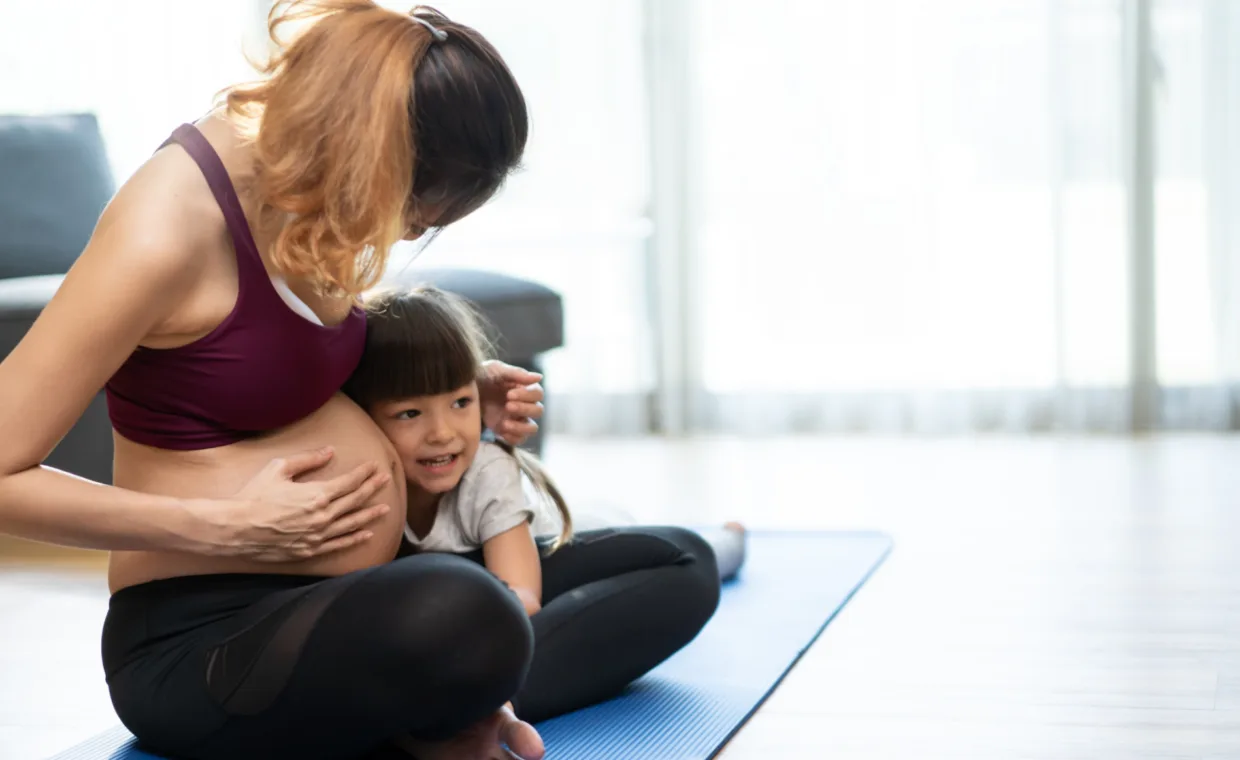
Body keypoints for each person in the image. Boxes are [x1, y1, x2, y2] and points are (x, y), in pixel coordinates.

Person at [0, 3, 717, 759]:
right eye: (413, 207)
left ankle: (455, 703)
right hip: (212, 633)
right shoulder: (163, 230)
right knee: (467, 612)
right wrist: (233, 527)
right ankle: (454, 694)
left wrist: (445, 393)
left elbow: (281, 361)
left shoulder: (308, 192)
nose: (407, 232)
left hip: (383, 588)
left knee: (676, 562)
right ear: (368, 150)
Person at [341, 285, 729, 754]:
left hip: (496, 618)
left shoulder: (487, 470)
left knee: (693, 556)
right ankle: (456, 718)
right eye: (409, 413)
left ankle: (468, 711)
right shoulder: (357, 489)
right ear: (360, 420)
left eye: (461, 402)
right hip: (431, 654)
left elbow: (522, 597)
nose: (442, 433)